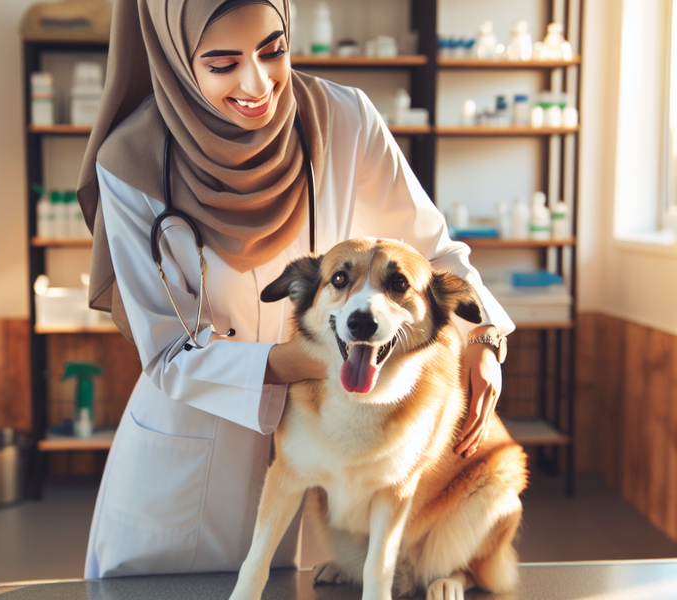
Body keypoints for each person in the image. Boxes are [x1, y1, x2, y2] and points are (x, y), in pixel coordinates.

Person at [76, 0, 514, 579]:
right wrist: (305, 360)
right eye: (222, 62)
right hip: (186, 449)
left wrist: (482, 335)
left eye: (273, 50)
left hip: (307, 443)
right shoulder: (130, 164)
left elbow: (431, 250)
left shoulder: (343, 118)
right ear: (177, 57)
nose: (258, 84)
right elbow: (167, 351)